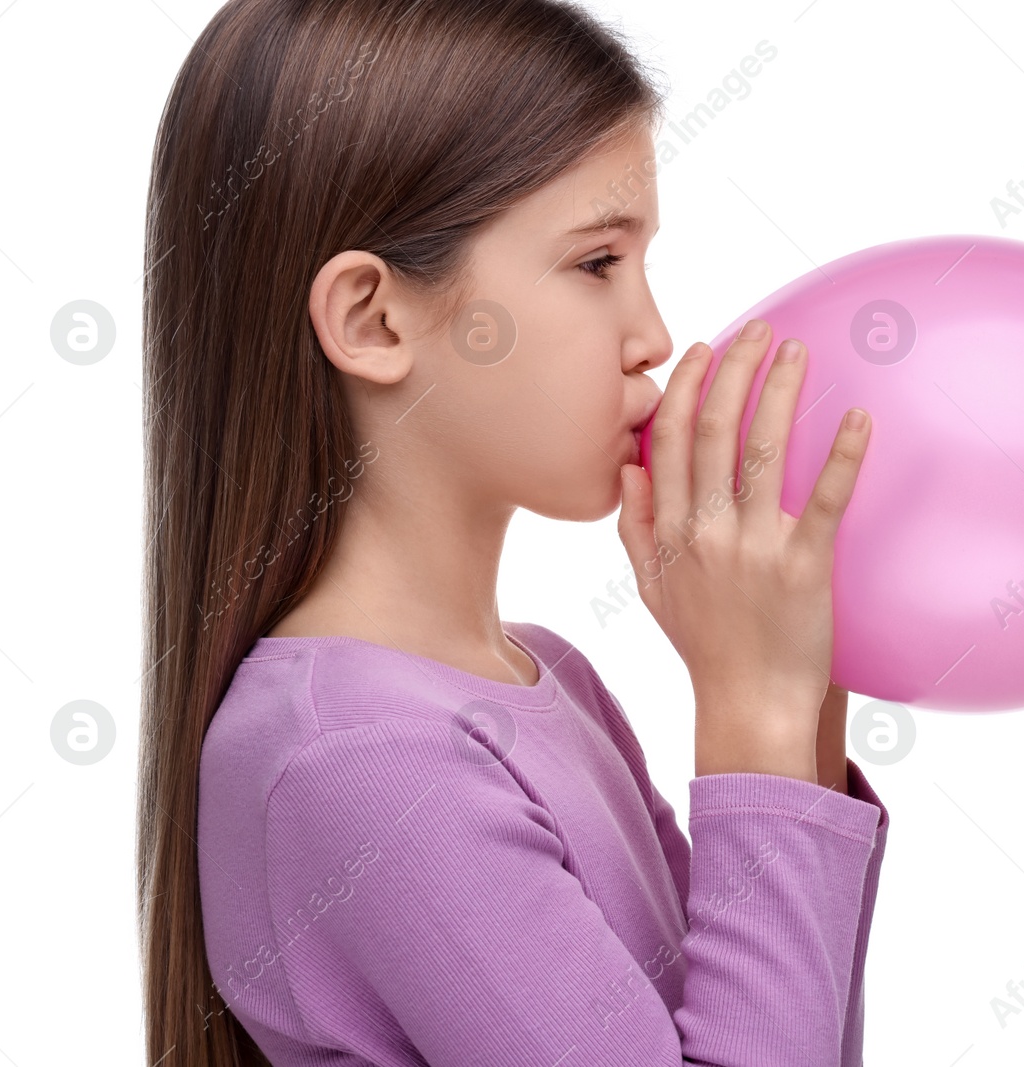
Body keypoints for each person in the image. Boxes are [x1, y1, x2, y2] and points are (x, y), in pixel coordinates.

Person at [137, 1, 884, 1064]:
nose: (654, 335)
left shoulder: (551, 679)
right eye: (595, 264)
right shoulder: (362, 758)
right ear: (374, 319)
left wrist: (798, 706)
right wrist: (750, 706)